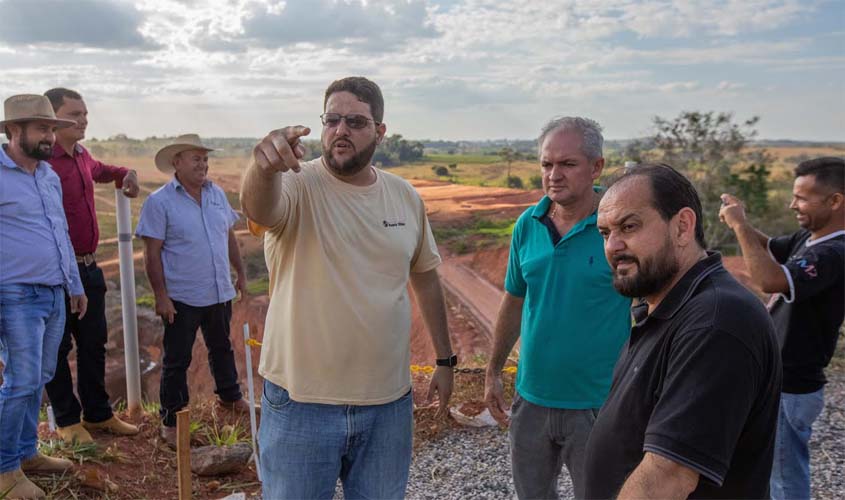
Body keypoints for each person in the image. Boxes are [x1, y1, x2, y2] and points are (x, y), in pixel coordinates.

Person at [240, 76, 454, 499]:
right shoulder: (297, 183)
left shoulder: (404, 197)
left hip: (388, 407)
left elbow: (426, 277)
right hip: (301, 405)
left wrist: (445, 359)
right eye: (332, 119)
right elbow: (259, 207)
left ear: (379, 131)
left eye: (355, 121)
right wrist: (262, 168)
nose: (341, 130)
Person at [584, 164, 782, 499]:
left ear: (682, 227)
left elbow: (668, 477)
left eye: (628, 226)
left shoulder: (717, 322)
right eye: (605, 233)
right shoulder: (666, 309)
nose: (612, 246)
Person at [483, 117, 630, 499]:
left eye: (568, 164)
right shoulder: (526, 226)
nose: (554, 175)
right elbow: (513, 301)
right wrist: (493, 371)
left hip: (599, 405)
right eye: (547, 165)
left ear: (596, 167)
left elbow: (653, 309)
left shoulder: (618, 229)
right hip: (531, 401)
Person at [719, 156, 844, 500]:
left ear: (835, 201)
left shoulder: (834, 253)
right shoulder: (811, 238)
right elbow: (770, 248)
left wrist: (741, 226)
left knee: (786, 480)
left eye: (802, 198)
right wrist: (737, 223)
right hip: (778, 379)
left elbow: (770, 279)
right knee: (769, 473)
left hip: (793, 384)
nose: (792, 205)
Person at [135, 134, 249, 448]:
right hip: (182, 297)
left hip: (218, 290)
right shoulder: (159, 202)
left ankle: (229, 397)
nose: (203, 164)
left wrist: (239, 272)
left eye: (205, 158)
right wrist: (161, 296)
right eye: (195, 158)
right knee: (177, 359)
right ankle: (171, 420)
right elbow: (152, 253)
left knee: (221, 347)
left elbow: (228, 237)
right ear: (177, 162)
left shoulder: (217, 195)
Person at [0, 94, 87, 499]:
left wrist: (75, 284)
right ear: (14, 131)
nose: (51, 136)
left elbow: (60, 234)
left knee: (40, 378)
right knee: (20, 382)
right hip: (14, 293)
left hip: (53, 294)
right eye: (42, 128)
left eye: (52, 128)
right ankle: (3, 471)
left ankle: (26, 453)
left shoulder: (48, 175)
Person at [42, 88, 140, 444]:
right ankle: (67, 422)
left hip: (89, 267)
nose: (84, 119)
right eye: (75, 114)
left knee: (94, 342)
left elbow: (104, 170)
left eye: (85, 113)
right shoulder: (43, 165)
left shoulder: (82, 156)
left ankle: (98, 415)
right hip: (57, 272)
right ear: (54, 119)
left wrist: (127, 172)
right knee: (57, 347)